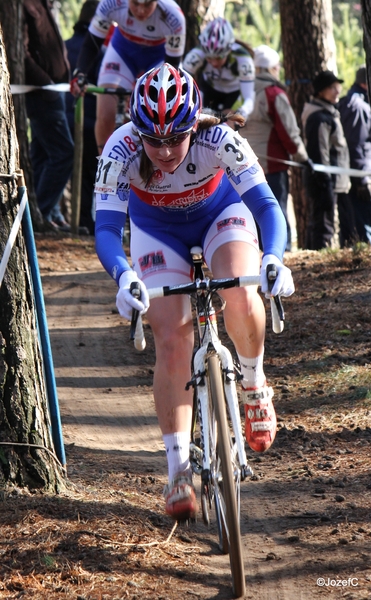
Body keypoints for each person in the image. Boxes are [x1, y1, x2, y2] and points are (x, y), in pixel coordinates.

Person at [94, 63, 295, 521]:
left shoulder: (219, 140)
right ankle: (179, 469)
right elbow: (107, 228)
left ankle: (253, 382)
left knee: (242, 295)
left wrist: (274, 258)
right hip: (156, 231)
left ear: (194, 124)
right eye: (154, 140)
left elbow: (265, 204)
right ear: (137, 131)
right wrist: (124, 275)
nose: (164, 151)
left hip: (221, 216)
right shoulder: (120, 147)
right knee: (170, 337)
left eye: (175, 138)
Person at [70, 0, 186, 152]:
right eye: (135, 3)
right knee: (106, 113)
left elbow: (172, 68)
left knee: (162, 112)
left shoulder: (174, 16)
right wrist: (80, 73)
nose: (140, 10)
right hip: (122, 52)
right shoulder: (111, 3)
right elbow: (92, 43)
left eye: (147, 5)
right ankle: (105, 163)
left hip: (158, 57)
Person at [239, 45, 308, 252]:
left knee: (251, 213)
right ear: (272, 69)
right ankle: (280, 252)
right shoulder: (274, 93)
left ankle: (255, 254)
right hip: (272, 165)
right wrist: (304, 159)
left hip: (242, 166)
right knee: (275, 210)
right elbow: (288, 132)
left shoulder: (240, 92)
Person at [23, 0, 74, 232]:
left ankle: (41, 213)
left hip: (56, 92)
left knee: (42, 156)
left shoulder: (44, 4)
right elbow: (20, 53)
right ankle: (39, 215)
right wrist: (46, 84)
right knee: (63, 153)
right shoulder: (23, 6)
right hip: (42, 94)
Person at [301, 70, 350, 250]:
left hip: (332, 180)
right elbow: (319, 154)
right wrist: (325, 184)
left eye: (337, 86)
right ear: (320, 91)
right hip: (324, 180)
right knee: (323, 225)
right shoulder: (318, 117)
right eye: (331, 87)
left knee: (325, 222)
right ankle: (317, 264)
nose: (337, 90)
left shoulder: (327, 112)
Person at [65, 0, 101, 236]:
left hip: (64, 117)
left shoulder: (65, 45)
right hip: (89, 120)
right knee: (90, 174)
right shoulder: (99, 51)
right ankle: (86, 224)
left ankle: (80, 221)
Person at [183, 17, 255, 122]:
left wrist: (242, 113)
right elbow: (180, 85)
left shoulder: (243, 59)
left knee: (229, 124)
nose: (214, 63)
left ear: (228, 51)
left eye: (218, 58)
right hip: (209, 90)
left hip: (234, 94)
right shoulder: (195, 55)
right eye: (209, 58)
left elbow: (249, 98)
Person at [338, 65, 371, 245]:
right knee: (362, 226)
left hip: (356, 174)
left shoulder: (353, 102)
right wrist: (362, 180)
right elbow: (357, 145)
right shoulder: (358, 107)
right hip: (359, 177)